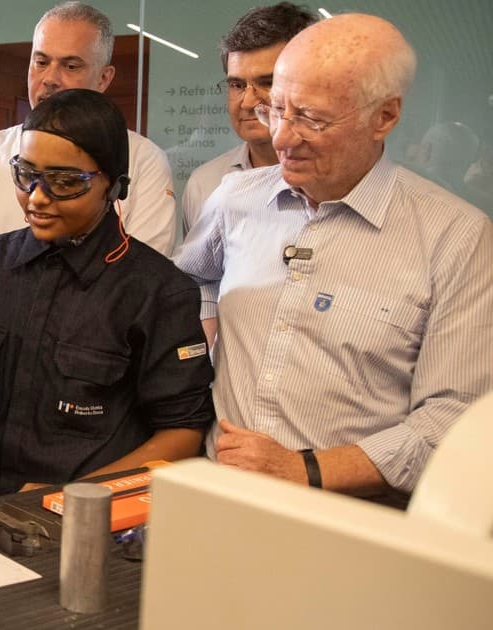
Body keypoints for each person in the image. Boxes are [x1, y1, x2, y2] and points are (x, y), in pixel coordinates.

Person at [173, 14, 493, 502]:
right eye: (276, 111)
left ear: (384, 117)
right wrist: (207, 328)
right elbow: (187, 283)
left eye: (312, 118)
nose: (281, 138)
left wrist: (304, 469)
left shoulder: (456, 238)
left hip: (351, 515)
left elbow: (455, 418)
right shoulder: (236, 199)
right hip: (220, 494)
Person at [0, 89, 213, 499]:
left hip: (89, 522)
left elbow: (182, 436)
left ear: (114, 185)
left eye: (65, 183)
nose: (37, 197)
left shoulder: (156, 290)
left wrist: (72, 497)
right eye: (25, 175)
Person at [0, 1, 177, 329]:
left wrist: (55, 353)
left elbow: (139, 278)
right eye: (41, 61)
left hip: (90, 363)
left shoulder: (142, 160)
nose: (50, 79)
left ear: (104, 78)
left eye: (70, 66)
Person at [180, 2, 316, 235]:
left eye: (267, 82)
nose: (248, 102)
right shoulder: (206, 184)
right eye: (237, 85)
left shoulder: (336, 179)